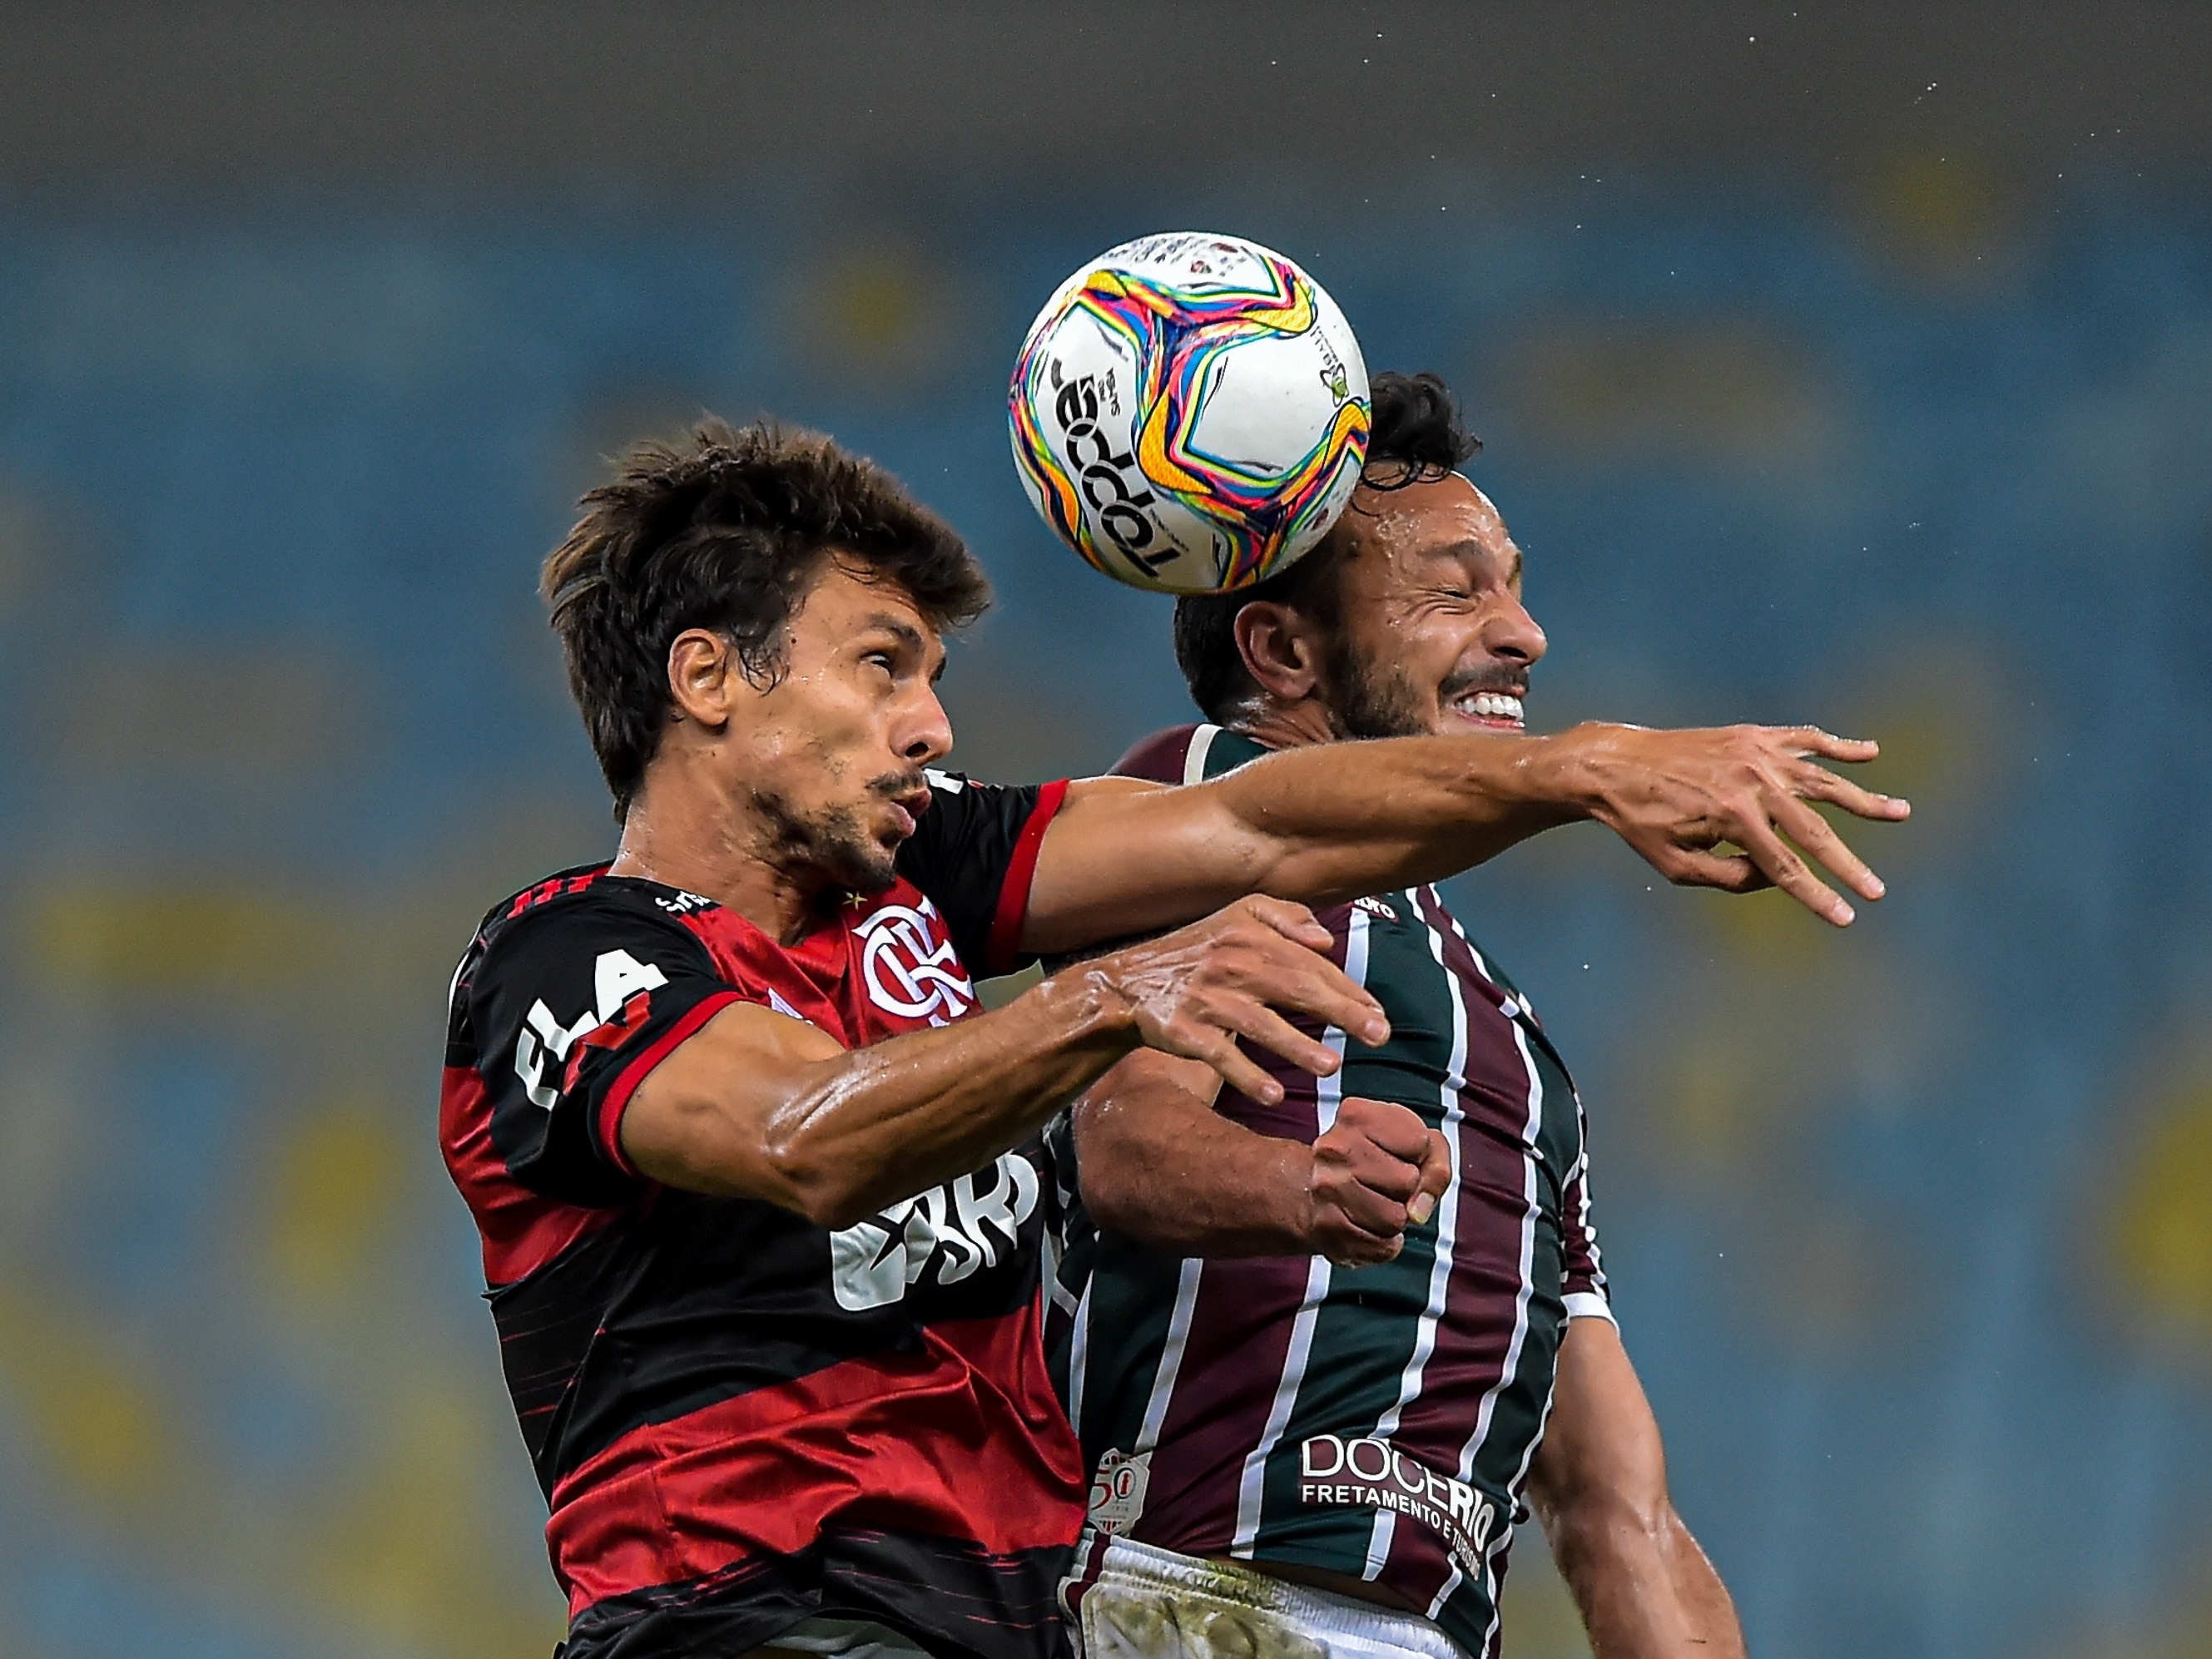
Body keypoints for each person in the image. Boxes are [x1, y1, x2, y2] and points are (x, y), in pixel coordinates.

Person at [437, 418, 1902, 1659]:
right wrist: (1110, 992)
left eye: (934, 677)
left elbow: (1252, 821)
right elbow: (798, 1137)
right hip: (745, 1616)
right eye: (882, 667)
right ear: (708, 680)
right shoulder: (570, 953)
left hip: (1004, 1624)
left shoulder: (921, 887)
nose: (932, 726)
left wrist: (1588, 766)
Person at [1051, 374, 1783, 1659]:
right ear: (1280, 652)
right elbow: (1116, 1144)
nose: (1526, 635)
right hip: (1193, 1600)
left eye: (1510, 583)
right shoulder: (1188, 802)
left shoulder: (1514, 1043)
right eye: (1457, 591)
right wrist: (1298, 1181)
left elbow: (1617, 1508)